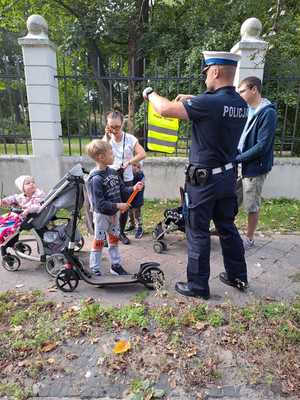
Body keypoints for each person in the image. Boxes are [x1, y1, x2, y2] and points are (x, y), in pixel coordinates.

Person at [142, 51, 248, 300]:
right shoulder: (239, 104)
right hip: (228, 178)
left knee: (197, 230)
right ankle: (238, 276)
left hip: (204, 181)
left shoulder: (208, 104)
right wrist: (194, 99)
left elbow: (165, 109)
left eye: (205, 73)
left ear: (215, 72)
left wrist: (149, 93)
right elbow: (216, 108)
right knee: (227, 227)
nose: (204, 79)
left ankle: (198, 286)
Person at [85, 139, 143, 276]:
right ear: (101, 157)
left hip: (114, 215)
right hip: (101, 216)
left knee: (114, 240)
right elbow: (99, 204)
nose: (114, 156)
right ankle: (95, 268)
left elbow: (122, 190)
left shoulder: (112, 172)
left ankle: (115, 265)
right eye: (111, 154)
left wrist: (133, 188)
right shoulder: (95, 179)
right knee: (99, 241)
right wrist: (118, 205)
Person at [236, 76, 277, 250]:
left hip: (254, 167)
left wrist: (238, 158)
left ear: (254, 90)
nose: (239, 94)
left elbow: (262, 146)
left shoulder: (267, 113)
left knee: (251, 205)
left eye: (242, 91)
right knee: (232, 200)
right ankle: (225, 229)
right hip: (240, 162)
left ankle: (249, 238)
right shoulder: (247, 109)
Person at [103, 110, 146, 245]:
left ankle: (120, 232)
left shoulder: (130, 139)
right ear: (107, 125)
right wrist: (106, 136)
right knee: (109, 206)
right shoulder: (106, 139)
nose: (115, 130)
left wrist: (129, 162)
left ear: (122, 124)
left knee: (124, 206)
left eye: (117, 126)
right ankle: (106, 234)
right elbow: (100, 155)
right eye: (112, 126)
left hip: (126, 177)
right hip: (110, 177)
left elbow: (142, 154)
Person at [126, 161, 145, 239]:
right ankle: (132, 224)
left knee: (136, 213)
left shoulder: (140, 176)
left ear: (139, 168)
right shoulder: (129, 176)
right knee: (130, 211)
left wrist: (138, 201)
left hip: (137, 199)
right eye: (132, 166)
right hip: (130, 198)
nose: (133, 168)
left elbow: (140, 188)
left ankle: (139, 227)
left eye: (136, 166)